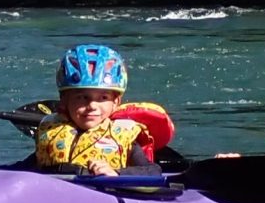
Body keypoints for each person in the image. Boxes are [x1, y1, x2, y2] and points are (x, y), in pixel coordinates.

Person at [29, 44, 171, 176]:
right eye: (82, 97)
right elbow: (29, 167)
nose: (92, 106)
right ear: (64, 99)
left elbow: (153, 171)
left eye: (103, 97)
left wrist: (116, 173)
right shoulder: (51, 131)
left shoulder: (121, 135)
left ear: (116, 102)